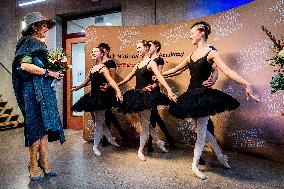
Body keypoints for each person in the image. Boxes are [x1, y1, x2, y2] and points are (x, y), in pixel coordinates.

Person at [162, 21, 260, 179]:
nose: (190, 36)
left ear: (201, 33)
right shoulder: (190, 56)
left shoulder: (211, 53)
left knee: (201, 133)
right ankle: (221, 157)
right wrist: (160, 75)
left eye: (192, 32)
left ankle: (194, 165)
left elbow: (227, 71)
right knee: (203, 131)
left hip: (204, 97)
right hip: (191, 96)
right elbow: (174, 70)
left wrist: (246, 83)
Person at [12, 12, 65, 181]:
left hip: (43, 90)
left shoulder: (39, 45)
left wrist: (55, 73)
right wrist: (49, 72)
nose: (46, 28)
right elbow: (25, 65)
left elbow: (42, 68)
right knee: (36, 127)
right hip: (32, 90)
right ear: (33, 27)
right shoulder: (28, 42)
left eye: (47, 26)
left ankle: (44, 162)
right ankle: (33, 167)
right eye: (43, 25)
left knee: (45, 128)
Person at [118, 40, 177, 161]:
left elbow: (159, 77)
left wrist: (169, 90)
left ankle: (140, 150)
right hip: (137, 95)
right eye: (137, 48)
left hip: (146, 96)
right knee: (146, 123)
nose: (138, 50)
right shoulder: (138, 64)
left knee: (145, 124)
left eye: (140, 47)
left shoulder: (151, 63)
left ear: (146, 48)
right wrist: (115, 85)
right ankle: (159, 142)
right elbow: (128, 78)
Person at [71, 47, 123, 157]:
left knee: (99, 122)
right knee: (99, 122)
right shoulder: (93, 68)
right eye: (92, 52)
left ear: (101, 54)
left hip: (101, 98)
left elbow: (111, 81)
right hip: (92, 98)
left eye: (96, 52)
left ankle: (95, 146)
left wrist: (118, 91)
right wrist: (77, 87)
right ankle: (110, 139)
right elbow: (86, 81)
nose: (93, 53)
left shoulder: (103, 68)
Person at [97, 43, 128, 146]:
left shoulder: (111, 63)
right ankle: (121, 133)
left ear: (107, 51)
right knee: (106, 113)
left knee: (107, 113)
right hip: (99, 91)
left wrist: (108, 86)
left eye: (103, 49)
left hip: (108, 91)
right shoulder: (98, 62)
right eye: (100, 49)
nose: (101, 50)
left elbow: (113, 78)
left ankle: (106, 139)